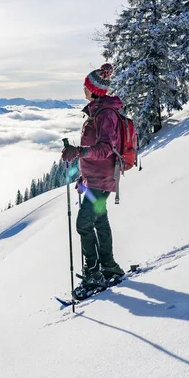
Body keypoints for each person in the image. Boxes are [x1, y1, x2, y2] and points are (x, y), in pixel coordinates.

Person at [61, 63, 125, 289]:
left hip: (101, 180)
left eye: (85, 86)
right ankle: (108, 267)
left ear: (93, 89)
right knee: (99, 220)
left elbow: (106, 147)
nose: (83, 90)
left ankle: (93, 275)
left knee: (84, 225)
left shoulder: (105, 113)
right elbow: (95, 151)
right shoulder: (98, 111)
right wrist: (84, 176)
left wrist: (78, 152)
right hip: (96, 179)